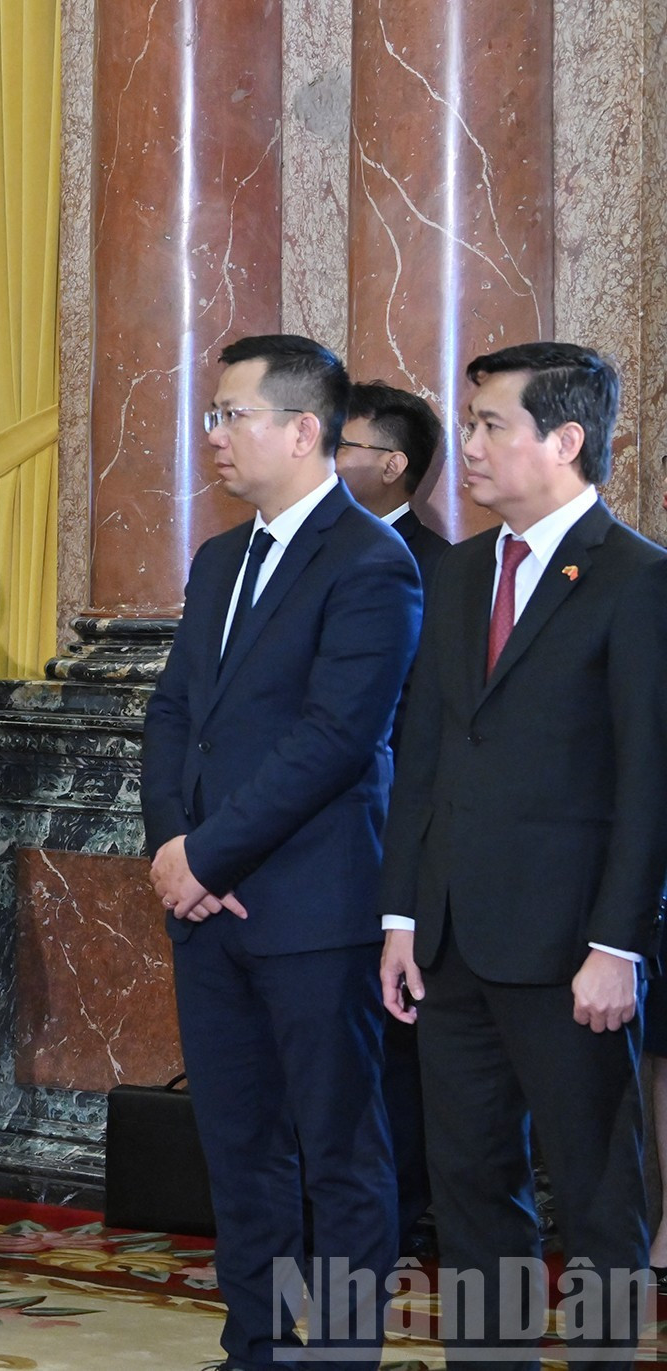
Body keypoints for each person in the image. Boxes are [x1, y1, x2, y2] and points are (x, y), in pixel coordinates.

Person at [377, 342, 667, 1366]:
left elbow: (650, 783)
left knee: (596, 1190)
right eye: (468, 424)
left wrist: (618, 946)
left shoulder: (637, 580)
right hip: (450, 943)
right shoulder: (460, 572)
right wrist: (403, 916)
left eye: (490, 424)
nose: (468, 445)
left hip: (571, 952)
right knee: (470, 1185)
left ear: (566, 439)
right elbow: (423, 757)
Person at [141, 335, 421, 1371]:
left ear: (305, 431)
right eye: (211, 414)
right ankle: (253, 1343)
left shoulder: (370, 562)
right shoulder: (220, 559)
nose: (213, 434)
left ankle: (344, 1352)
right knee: (238, 1144)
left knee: (340, 1150)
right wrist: (172, 847)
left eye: (232, 414)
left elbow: (334, 740)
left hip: (313, 906)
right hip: (206, 905)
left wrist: (208, 857)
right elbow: (175, 716)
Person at [337, 377, 448, 1258]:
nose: (329, 457)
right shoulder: (313, 553)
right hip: (323, 849)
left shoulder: (440, 567)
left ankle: (401, 1210)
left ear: (391, 465)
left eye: (345, 445)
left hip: (400, 836)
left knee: (399, 1042)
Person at [337, 380, 451, 586]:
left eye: (338, 446)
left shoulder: (440, 566)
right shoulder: (303, 541)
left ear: (391, 467)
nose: (319, 457)